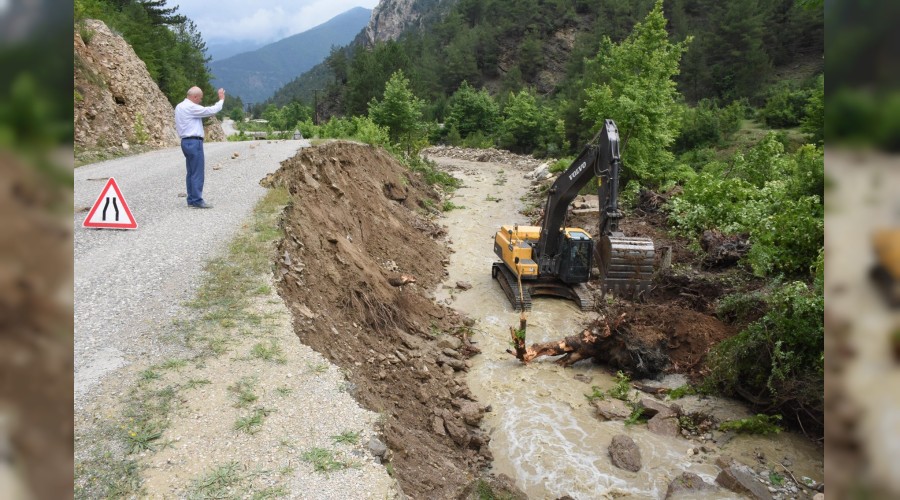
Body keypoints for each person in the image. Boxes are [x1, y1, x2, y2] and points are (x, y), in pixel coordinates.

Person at [174, 86, 225, 208]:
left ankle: (191, 198)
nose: (200, 101)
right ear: (195, 97)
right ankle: (197, 199)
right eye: (200, 98)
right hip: (194, 141)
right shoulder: (190, 107)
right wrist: (221, 99)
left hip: (185, 142)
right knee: (197, 172)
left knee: (191, 172)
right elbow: (211, 111)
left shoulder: (179, 106)